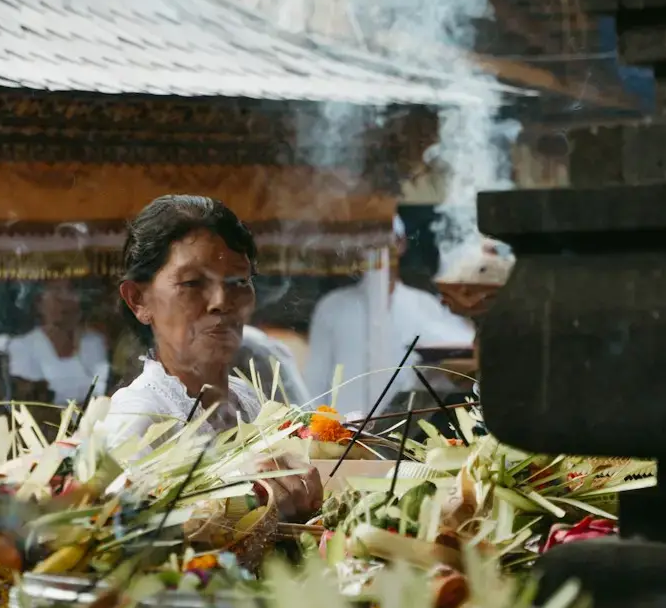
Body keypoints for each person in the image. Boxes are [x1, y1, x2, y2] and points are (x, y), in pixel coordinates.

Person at [100, 195, 323, 522]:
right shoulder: (139, 421)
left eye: (238, 281)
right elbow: (129, 547)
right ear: (138, 300)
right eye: (192, 283)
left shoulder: (250, 404)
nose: (222, 301)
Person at [305, 215, 474, 417]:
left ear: (401, 243)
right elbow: (314, 382)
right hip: (340, 433)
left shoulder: (426, 305)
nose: (375, 247)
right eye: (367, 240)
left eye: (384, 239)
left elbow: (438, 374)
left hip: (406, 430)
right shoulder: (333, 306)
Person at [3, 280, 109, 407]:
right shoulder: (21, 347)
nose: (65, 299)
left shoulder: (93, 342)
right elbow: (29, 403)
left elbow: (103, 394)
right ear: (39, 303)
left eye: (70, 291)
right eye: (56, 291)